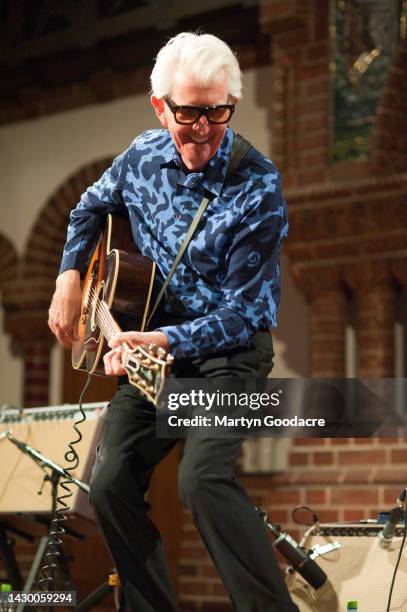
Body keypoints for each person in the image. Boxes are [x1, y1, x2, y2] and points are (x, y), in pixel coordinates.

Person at [48, 32, 298, 612]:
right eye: (189, 113)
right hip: (152, 350)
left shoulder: (258, 185)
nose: (204, 128)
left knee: (201, 481)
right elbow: (88, 207)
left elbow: (246, 312)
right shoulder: (140, 158)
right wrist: (68, 279)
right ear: (160, 106)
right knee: (108, 485)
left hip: (227, 359)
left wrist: (160, 337)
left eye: (218, 111)